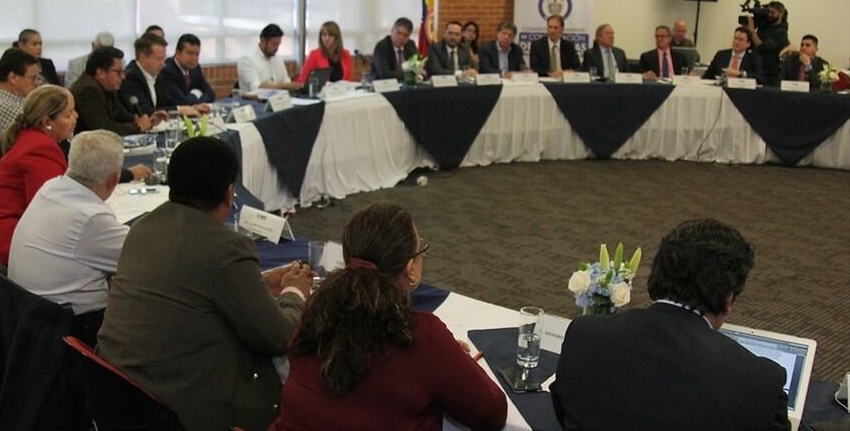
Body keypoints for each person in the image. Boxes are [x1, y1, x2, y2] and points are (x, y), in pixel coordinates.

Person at [97, 136, 314, 431]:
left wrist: (258, 283)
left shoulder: (142, 227)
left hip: (120, 395)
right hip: (183, 407)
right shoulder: (226, 248)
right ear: (229, 193)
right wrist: (294, 292)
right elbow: (278, 336)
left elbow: (190, 289)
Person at [270, 203, 507, 431]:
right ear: (410, 269)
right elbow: (492, 413)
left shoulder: (315, 311)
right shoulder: (421, 334)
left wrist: (444, 358)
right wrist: (451, 361)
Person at [552, 219, 790, 431]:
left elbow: (564, 413)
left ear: (657, 273)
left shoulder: (584, 334)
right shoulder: (759, 382)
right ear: (728, 298)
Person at [8, 130, 128, 345]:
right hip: (72, 328)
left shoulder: (51, 187)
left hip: (32, 317)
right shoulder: (91, 218)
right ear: (114, 180)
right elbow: (145, 260)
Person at [0, 85, 77, 264]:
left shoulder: (28, 137)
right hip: (10, 242)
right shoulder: (40, 148)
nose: (76, 117)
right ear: (47, 121)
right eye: (68, 115)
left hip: (8, 233)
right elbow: (51, 210)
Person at [71, 46, 164, 136]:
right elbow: (103, 129)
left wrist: (146, 120)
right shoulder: (88, 90)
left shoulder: (107, 86)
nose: (123, 76)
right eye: (118, 72)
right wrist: (137, 127)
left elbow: (120, 114)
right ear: (100, 72)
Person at [0, 48, 40, 149]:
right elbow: (45, 131)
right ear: (13, 77)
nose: (36, 83)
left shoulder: (18, 101)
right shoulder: (3, 106)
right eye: (32, 78)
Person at [236, 24, 302, 92]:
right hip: (254, 101)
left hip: (279, 100)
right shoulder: (247, 60)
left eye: (278, 44)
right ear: (263, 41)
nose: (277, 48)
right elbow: (257, 88)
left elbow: (287, 82)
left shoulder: (278, 59)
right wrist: (283, 85)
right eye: (274, 44)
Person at [159, 34, 216, 105]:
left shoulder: (195, 68)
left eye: (197, 54)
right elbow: (180, 101)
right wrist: (196, 96)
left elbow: (211, 94)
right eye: (190, 53)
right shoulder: (167, 71)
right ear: (178, 53)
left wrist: (196, 99)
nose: (194, 58)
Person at [747, 1, 790, 86]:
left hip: (770, 74)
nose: (769, 15)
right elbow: (751, 45)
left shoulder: (781, 33)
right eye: (768, 12)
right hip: (755, 70)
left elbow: (762, 48)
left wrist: (752, 31)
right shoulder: (764, 27)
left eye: (772, 12)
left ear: (781, 13)